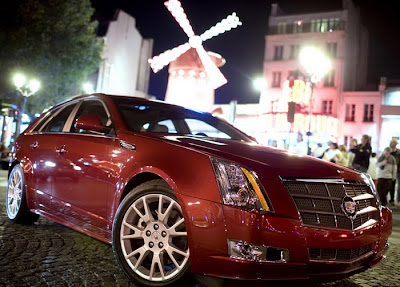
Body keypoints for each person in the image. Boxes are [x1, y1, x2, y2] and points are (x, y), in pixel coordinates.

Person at [389, 139, 400, 204]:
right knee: (390, 185)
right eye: (393, 143)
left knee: (398, 185)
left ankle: (398, 199)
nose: (394, 144)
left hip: (398, 170)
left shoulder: (398, 152)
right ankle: (391, 199)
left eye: (395, 143)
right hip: (389, 170)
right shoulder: (388, 151)